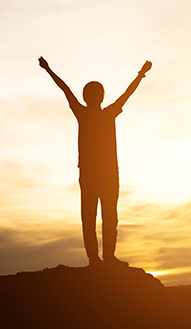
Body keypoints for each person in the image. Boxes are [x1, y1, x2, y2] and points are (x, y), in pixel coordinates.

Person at [38, 57, 152, 267]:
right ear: (92, 97)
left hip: (106, 174)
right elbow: (65, 89)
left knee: (106, 217)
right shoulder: (91, 113)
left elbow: (127, 93)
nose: (95, 97)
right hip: (94, 174)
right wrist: (48, 69)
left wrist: (141, 74)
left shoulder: (103, 113)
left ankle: (106, 258)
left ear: (99, 97)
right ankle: (96, 259)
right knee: (93, 217)